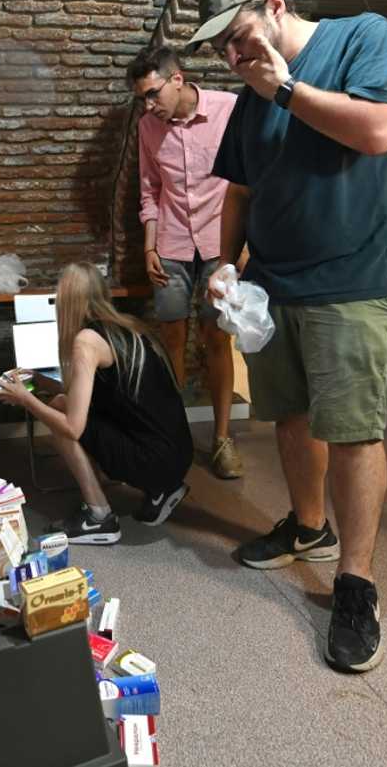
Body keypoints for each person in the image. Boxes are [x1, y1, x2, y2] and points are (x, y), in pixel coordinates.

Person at [187, 0, 387, 673]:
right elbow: (238, 193)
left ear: (277, 5)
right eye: (220, 47)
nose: (232, 54)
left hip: (354, 279)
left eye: (239, 34)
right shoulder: (247, 96)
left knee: (350, 430)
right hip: (274, 285)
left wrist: (284, 87)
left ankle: (355, 580)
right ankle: (308, 526)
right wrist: (224, 264)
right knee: (289, 417)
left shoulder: (362, 38)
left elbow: (378, 130)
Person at [0, 263, 192, 544]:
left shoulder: (86, 340)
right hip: (177, 453)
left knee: (61, 413)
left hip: (154, 460)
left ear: (68, 301)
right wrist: (40, 381)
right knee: (62, 399)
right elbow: (100, 396)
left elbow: (73, 428)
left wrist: (25, 399)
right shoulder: (126, 325)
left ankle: (100, 517)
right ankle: (162, 489)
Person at [128, 45, 245, 480]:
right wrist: (149, 246)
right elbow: (148, 190)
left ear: (177, 78)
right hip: (172, 244)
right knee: (171, 338)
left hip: (221, 244)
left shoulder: (229, 109)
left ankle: (221, 440)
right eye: (142, 98)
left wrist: (243, 250)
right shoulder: (147, 127)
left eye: (153, 94)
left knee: (217, 338)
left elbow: (248, 179)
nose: (149, 104)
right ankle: (174, 435)